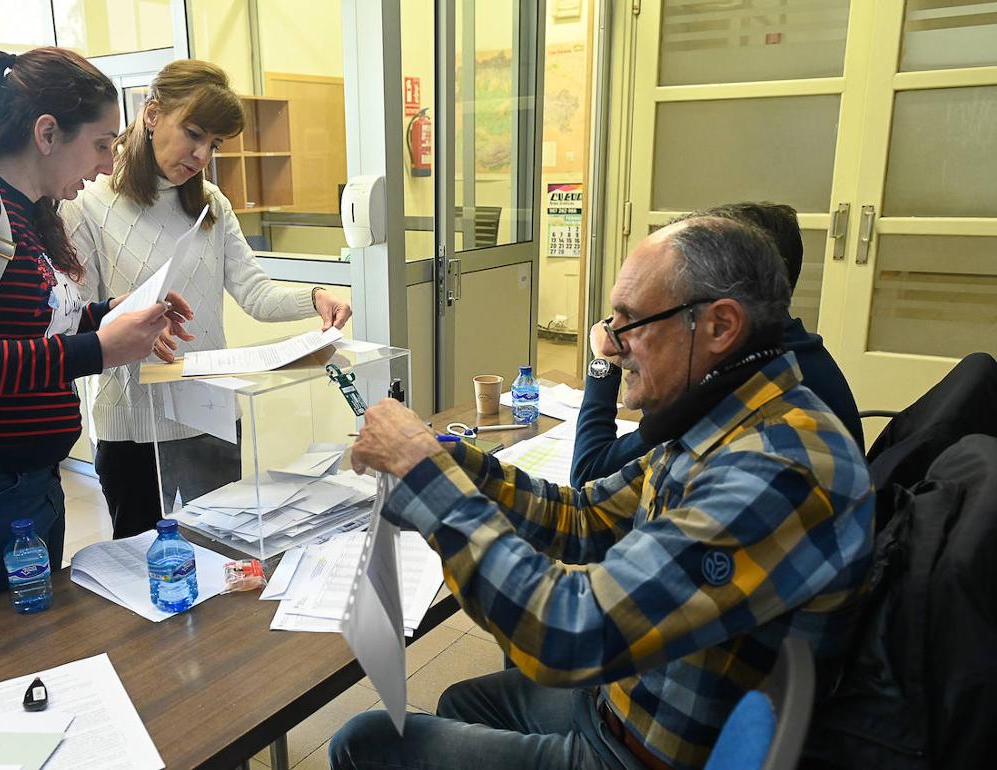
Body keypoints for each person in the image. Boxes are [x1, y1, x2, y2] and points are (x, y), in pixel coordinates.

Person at [332, 216, 874, 770]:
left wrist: (424, 476)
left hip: (636, 755)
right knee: (463, 703)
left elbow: (565, 632)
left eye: (632, 322)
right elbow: (585, 519)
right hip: (625, 703)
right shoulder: (724, 417)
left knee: (365, 744)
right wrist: (445, 460)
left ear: (718, 327)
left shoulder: (777, 471)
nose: (610, 347)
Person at [0, 47, 193, 612]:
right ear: (47, 132)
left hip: (17, 486)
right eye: (100, 145)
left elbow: (31, 324)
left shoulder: (21, 209)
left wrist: (112, 314)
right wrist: (95, 349)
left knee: (29, 652)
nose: (104, 165)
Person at [62, 59, 353, 539]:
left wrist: (315, 297)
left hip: (212, 413)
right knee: (148, 568)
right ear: (152, 115)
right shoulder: (88, 203)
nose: (201, 154)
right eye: (193, 134)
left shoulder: (211, 203)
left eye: (214, 144)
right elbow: (82, 321)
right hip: (132, 427)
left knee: (224, 555)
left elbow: (255, 294)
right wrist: (134, 324)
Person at [572, 202, 864, 487]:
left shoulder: (768, 452)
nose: (611, 343)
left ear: (722, 323)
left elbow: (591, 473)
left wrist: (604, 367)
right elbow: (596, 510)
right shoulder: (767, 362)